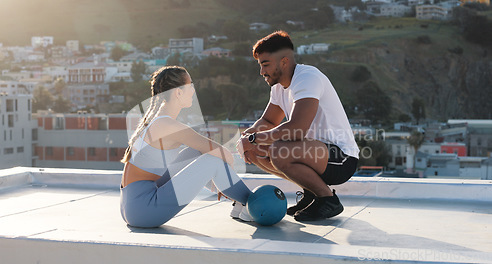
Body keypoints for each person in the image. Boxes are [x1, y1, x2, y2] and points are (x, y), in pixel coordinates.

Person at [236, 31, 359, 221]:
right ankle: (311, 193)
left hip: (341, 158)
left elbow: (296, 129)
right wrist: (247, 138)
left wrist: (256, 137)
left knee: (279, 150)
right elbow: (268, 122)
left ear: (284, 62)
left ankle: (327, 199)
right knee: (254, 151)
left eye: (265, 65)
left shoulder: (307, 77)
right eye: (260, 66)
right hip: (314, 153)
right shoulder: (278, 87)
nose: (261, 72)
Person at [120, 66, 253, 228]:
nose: (193, 91)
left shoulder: (155, 121)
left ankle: (236, 199)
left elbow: (204, 152)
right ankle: (251, 203)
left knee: (196, 152)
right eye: (191, 85)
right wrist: (225, 180)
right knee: (214, 160)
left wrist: (222, 182)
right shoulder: (168, 125)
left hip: (132, 207)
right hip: (144, 209)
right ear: (178, 92)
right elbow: (225, 154)